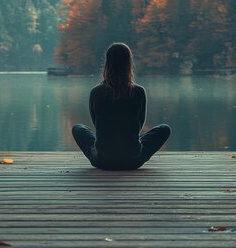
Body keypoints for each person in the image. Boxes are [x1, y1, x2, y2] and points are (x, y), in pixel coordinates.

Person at [71, 42, 171, 170]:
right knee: (164, 129)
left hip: (102, 160)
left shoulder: (96, 92)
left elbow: (97, 123)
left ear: (107, 64)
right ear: (129, 64)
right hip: (133, 160)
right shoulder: (139, 92)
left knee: (78, 128)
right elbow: (139, 125)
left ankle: (107, 147)